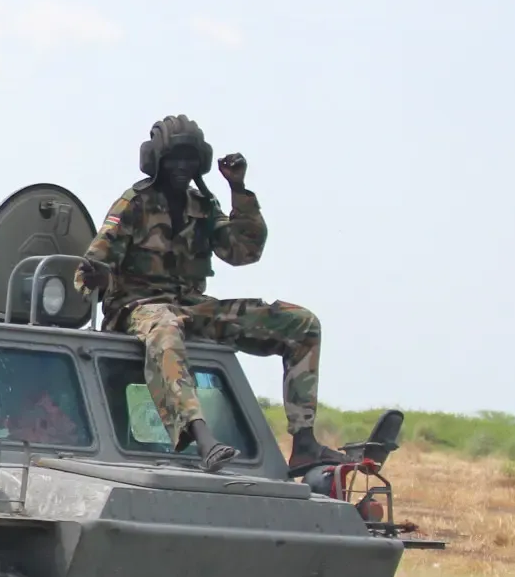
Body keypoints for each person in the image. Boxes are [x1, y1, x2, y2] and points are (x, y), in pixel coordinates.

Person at [78, 115, 335, 474]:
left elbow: (243, 252)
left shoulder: (203, 206)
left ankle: (304, 443)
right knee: (165, 331)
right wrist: (98, 276)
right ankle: (203, 439)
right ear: (156, 161)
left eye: (189, 159)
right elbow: (88, 269)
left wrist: (239, 191)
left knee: (301, 324)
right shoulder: (134, 204)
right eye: (173, 158)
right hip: (138, 308)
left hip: (192, 308)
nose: (182, 167)